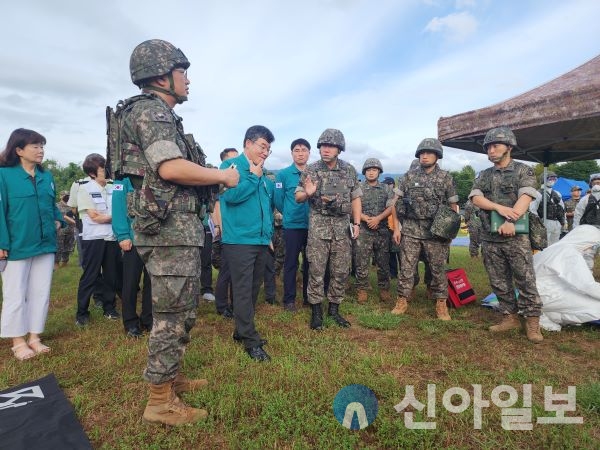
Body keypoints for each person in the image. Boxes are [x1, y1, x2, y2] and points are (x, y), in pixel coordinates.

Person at [117, 39, 239, 425]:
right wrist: (223, 174)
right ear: (160, 75)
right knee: (170, 316)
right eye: (182, 72)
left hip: (177, 230)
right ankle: (159, 402)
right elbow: (170, 168)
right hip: (168, 233)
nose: (187, 80)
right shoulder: (151, 112)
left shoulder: (161, 114)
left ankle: (170, 378)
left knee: (183, 311)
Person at [469, 126, 543, 343]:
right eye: (488, 147)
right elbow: (476, 198)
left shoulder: (523, 170)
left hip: (515, 236)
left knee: (525, 279)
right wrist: (498, 208)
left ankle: (532, 321)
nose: (491, 151)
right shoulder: (484, 175)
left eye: (496, 146)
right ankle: (509, 317)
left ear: (509, 147)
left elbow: (526, 197)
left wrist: (511, 220)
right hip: (490, 237)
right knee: (498, 280)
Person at [0, 128, 65, 360]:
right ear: (18, 150)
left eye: (42, 146)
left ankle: (34, 337)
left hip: (45, 243)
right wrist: (1, 242)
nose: (40, 151)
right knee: (15, 293)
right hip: (17, 244)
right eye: (35, 146)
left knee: (41, 291)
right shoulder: (4, 176)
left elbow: (52, 205)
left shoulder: (46, 177)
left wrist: (58, 221)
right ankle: (17, 341)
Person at [295, 128, 362, 330]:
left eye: (331, 146)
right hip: (319, 228)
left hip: (342, 228)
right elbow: (297, 197)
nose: (326, 149)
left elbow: (356, 197)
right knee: (316, 270)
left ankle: (334, 310)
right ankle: (316, 313)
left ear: (339, 149)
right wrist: (307, 193)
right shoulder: (311, 170)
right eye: (323, 145)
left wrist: (356, 223)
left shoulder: (349, 170)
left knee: (341, 271)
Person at [220, 125, 275, 362]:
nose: (265, 152)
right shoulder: (231, 167)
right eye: (263, 146)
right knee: (242, 290)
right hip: (240, 240)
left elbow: (266, 208)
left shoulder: (263, 173)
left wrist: (269, 235)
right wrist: (253, 177)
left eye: (269, 149)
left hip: (260, 240)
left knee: (253, 289)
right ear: (248, 144)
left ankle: (240, 331)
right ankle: (251, 341)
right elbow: (230, 197)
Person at [391, 139, 458, 320]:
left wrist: (449, 231)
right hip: (411, 229)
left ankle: (441, 303)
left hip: (435, 231)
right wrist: (397, 229)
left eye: (428, 153)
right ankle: (402, 300)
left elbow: (453, 205)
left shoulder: (446, 178)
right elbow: (395, 205)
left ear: (437, 155)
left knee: (437, 269)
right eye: (422, 153)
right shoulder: (408, 177)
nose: (424, 156)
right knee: (406, 268)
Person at [74, 154, 122, 326]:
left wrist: (111, 217)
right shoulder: (85, 188)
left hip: (111, 238)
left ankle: (110, 309)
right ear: (93, 173)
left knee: (111, 275)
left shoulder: (114, 186)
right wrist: (117, 216)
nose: (106, 171)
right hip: (93, 238)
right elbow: (95, 217)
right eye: (102, 169)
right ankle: (82, 313)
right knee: (91, 275)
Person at [534, 225, 600, 331]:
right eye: (594, 246)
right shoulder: (570, 253)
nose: (592, 250)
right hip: (547, 297)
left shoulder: (554, 248)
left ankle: (548, 315)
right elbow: (587, 286)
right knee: (596, 306)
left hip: (533, 297)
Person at [111, 176, 152, 338]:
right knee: (130, 283)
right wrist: (122, 235)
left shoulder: (154, 173)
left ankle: (148, 319)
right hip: (133, 238)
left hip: (154, 238)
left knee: (152, 282)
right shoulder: (122, 179)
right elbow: (118, 207)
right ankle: (130, 323)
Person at [274, 138, 311, 312]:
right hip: (293, 225)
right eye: (297, 150)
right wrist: (289, 212)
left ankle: (308, 297)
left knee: (311, 263)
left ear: (309, 153)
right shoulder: (283, 174)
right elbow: (278, 200)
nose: (300, 153)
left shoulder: (314, 173)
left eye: (304, 150)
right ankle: (289, 300)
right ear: (292, 153)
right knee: (291, 263)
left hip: (313, 225)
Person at [355, 158, 394, 303]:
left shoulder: (386, 189)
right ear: (364, 172)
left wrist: (378, 218)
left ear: (379, 172)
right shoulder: (358, 189)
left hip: (381, 230)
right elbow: (353, 208)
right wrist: (366, 219)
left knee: (383, 262)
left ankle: (384, 289)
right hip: (364, 230)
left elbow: (391, 207)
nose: (371, 173)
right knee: (362, 262)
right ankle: (362, 289)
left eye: (374, 170)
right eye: (368, 170)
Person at [213, 148, 239, 319]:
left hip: (237, 232)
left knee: (235, 271)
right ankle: (222, 305)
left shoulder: (236, 180)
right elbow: (216, 207)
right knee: (226, 271)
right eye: (231, 160)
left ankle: (233, 303)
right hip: (226, 232)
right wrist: (220, 228)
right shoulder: (219, 182)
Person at [529, 171, 565, 246]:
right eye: (550, 178)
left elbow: (562, 208)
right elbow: (532, 209)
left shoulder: (557, 194)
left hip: (557, 222)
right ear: (544, 179)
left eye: (555, 179)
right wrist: (538, 223)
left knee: (555, 245)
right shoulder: (537, 193)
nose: (553, 181)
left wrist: (564, 221)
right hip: (544, 221)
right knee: (545, 245)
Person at [55, 190, 76, 268]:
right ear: (60, 196)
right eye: (64, 195)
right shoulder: (56, 206)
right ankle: (56, 263)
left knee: (68, 247)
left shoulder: (71, 206)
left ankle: (65, 262)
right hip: (60, 231)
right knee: (58, 247)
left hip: (70, 230)